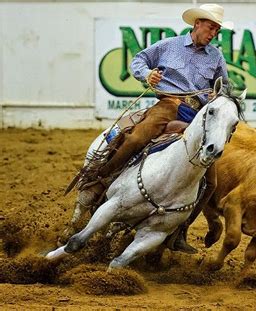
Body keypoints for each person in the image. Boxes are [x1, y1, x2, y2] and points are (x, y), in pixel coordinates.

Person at [80, 3, 233, 253]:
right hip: (169, 105)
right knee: (137, 137)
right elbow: (139, 61)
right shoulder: (169, 46)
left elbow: (224, 88)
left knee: (211, 182)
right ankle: (99, 181)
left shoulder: (215, 57)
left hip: (196, 117)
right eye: (211, 27)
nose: (213, 32)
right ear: (197, 24)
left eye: (217, 29)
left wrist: (220, 99)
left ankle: (179, 232)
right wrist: (147, 74)